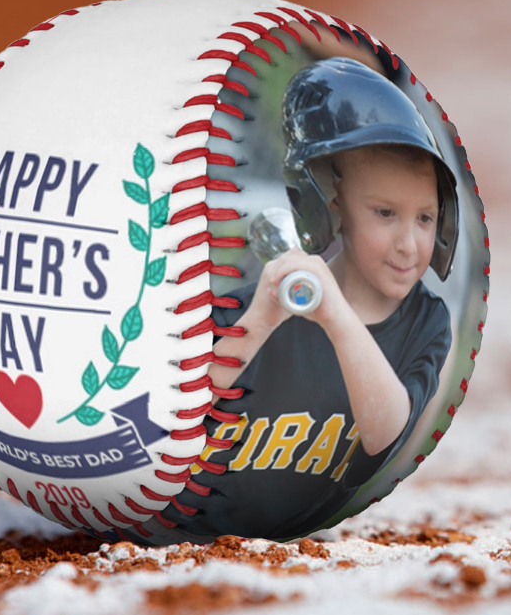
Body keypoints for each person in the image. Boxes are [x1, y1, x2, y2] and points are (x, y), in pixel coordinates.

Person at [156, 57, 460, 542]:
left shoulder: (426, 321)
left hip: (279, 549)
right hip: (179, 539)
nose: (410, 243)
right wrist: (260, 320)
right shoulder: (254, 309)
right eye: (385, 213)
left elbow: (384, 436)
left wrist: (336, 316)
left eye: (425, 218)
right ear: (329, 206)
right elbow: (171, 423)